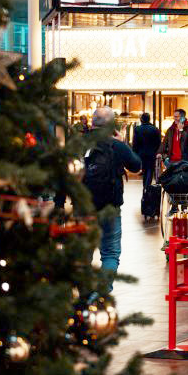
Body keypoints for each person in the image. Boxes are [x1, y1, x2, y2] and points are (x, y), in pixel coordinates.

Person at [81, 107, 142, 292]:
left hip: (83, 207)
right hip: (110, 206)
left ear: (92, 122)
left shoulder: (79, 143)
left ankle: (84, 294)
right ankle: (102, 293)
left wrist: (60, 204)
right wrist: (123, 143)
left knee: (82, 253)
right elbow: (136, 165)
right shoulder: (116, 145)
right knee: (110, 253)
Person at [131, 112, 162, 214]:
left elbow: (135, 142)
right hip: (152, 153)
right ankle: (147, 187)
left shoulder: (137, 129)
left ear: (141, 119)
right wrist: (156, 151)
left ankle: (145, 187)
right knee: (150, 170)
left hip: (142, 153)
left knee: (145, 170)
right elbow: (158, 142)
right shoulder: (155, 129)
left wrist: (135, 153)